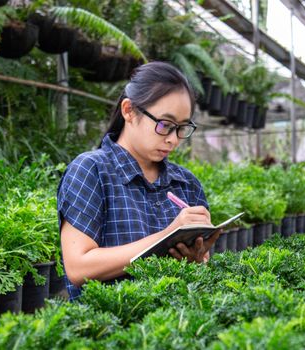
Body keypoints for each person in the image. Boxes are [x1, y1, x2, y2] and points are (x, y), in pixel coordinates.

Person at [57, 61, 220, 300]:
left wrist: (197, 259)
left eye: (182, 128)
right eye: (165, 125)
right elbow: (79, 267)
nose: (173, 139)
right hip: (108, 328)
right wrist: (167, 235)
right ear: (129, 111)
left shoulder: (187, 183)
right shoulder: (91, 171)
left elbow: (200, 272)